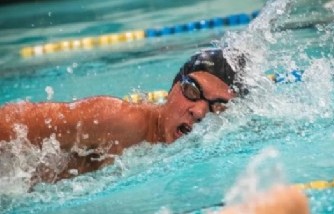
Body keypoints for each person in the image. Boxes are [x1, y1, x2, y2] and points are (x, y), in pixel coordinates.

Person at [0, 49, 309, 214]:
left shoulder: (210, 143)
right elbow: (12, 122)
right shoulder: (116, 119)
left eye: (217, 106)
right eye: (192, 91)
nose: (200, 111)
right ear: (172, 88)